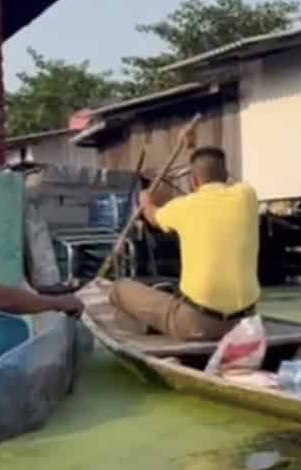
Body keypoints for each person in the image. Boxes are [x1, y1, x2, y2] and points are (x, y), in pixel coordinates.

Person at [110, 141, 260, 342]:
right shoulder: (247, 196)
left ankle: (141, 327)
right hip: (245, 321)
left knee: (120, 288)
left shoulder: (183, 207)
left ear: (193, 181)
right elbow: (228, 180)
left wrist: (145, 200)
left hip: (198, 325)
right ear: (225, 175)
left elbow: (153, 217)